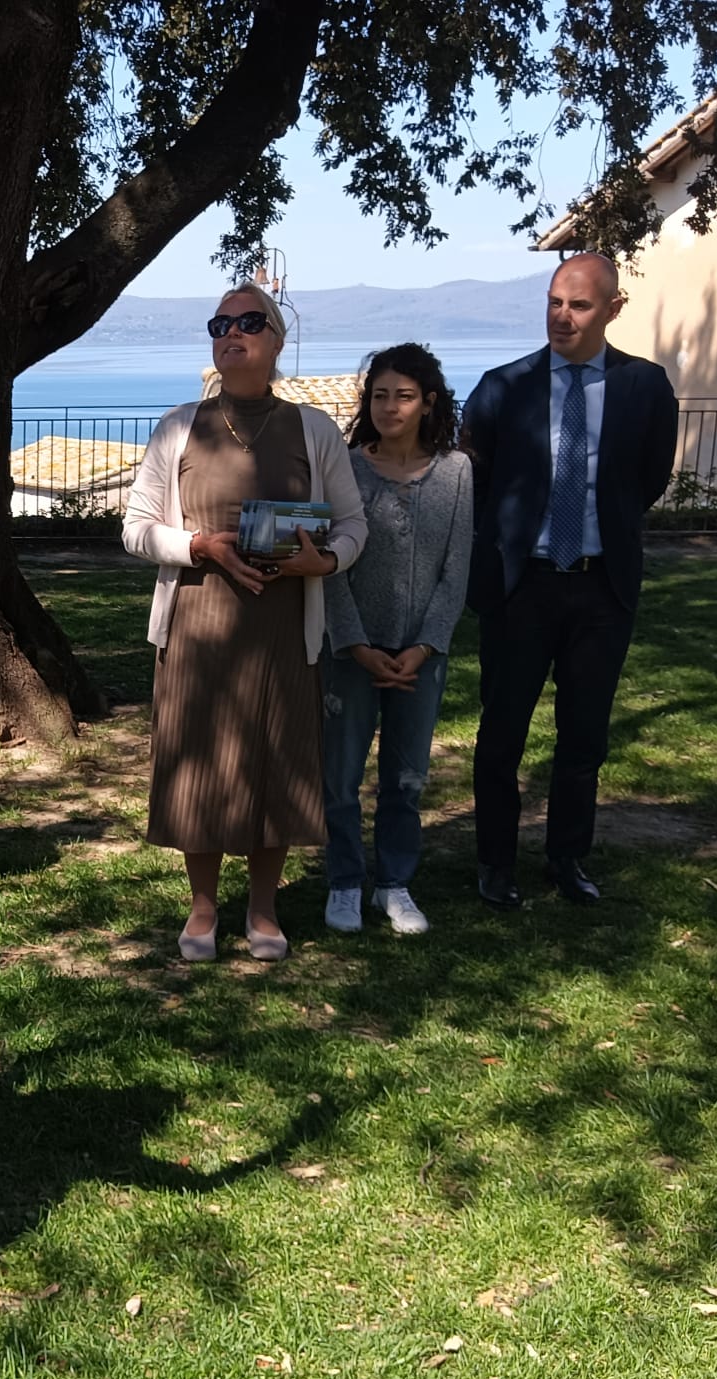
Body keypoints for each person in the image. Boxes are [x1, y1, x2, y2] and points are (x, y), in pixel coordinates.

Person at [121, 282, 366, 961]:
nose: (232, 333)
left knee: (277, 765)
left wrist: (323, 563)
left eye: (249, 322)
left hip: (285, 629)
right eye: (220, 324)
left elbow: (353, 524)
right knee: (199, 769)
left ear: (277, 340)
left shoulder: (313, 430)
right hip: (197, 626)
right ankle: (202, 909)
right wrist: (199, 545)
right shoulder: (179, 427)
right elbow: (136, 528)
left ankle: (263, 909)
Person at [464, 253, 678, 909]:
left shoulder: (645, 387)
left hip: (600, 588)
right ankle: (496, 863)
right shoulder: (503, 386)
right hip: (520, 588)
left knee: (584, 736)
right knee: (501, 734)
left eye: (579, 305)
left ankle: (567, 858)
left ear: (613, 309)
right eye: (555, 302)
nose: (562, 316)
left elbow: (648, 479)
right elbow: (474, 482)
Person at [321, 344, 473, 935]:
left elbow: (455, 571)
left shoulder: (456, 472)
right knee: (340, 777)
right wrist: (355, 644)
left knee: (406, 777)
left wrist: (426, 646)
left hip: (420, 657)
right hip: (350, 652)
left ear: (427, 402)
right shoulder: (346, 468)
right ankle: (343, 882)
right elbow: (330, 566)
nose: (390, 407)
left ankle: (393, 883)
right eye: (380, 395)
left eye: (403, 396)